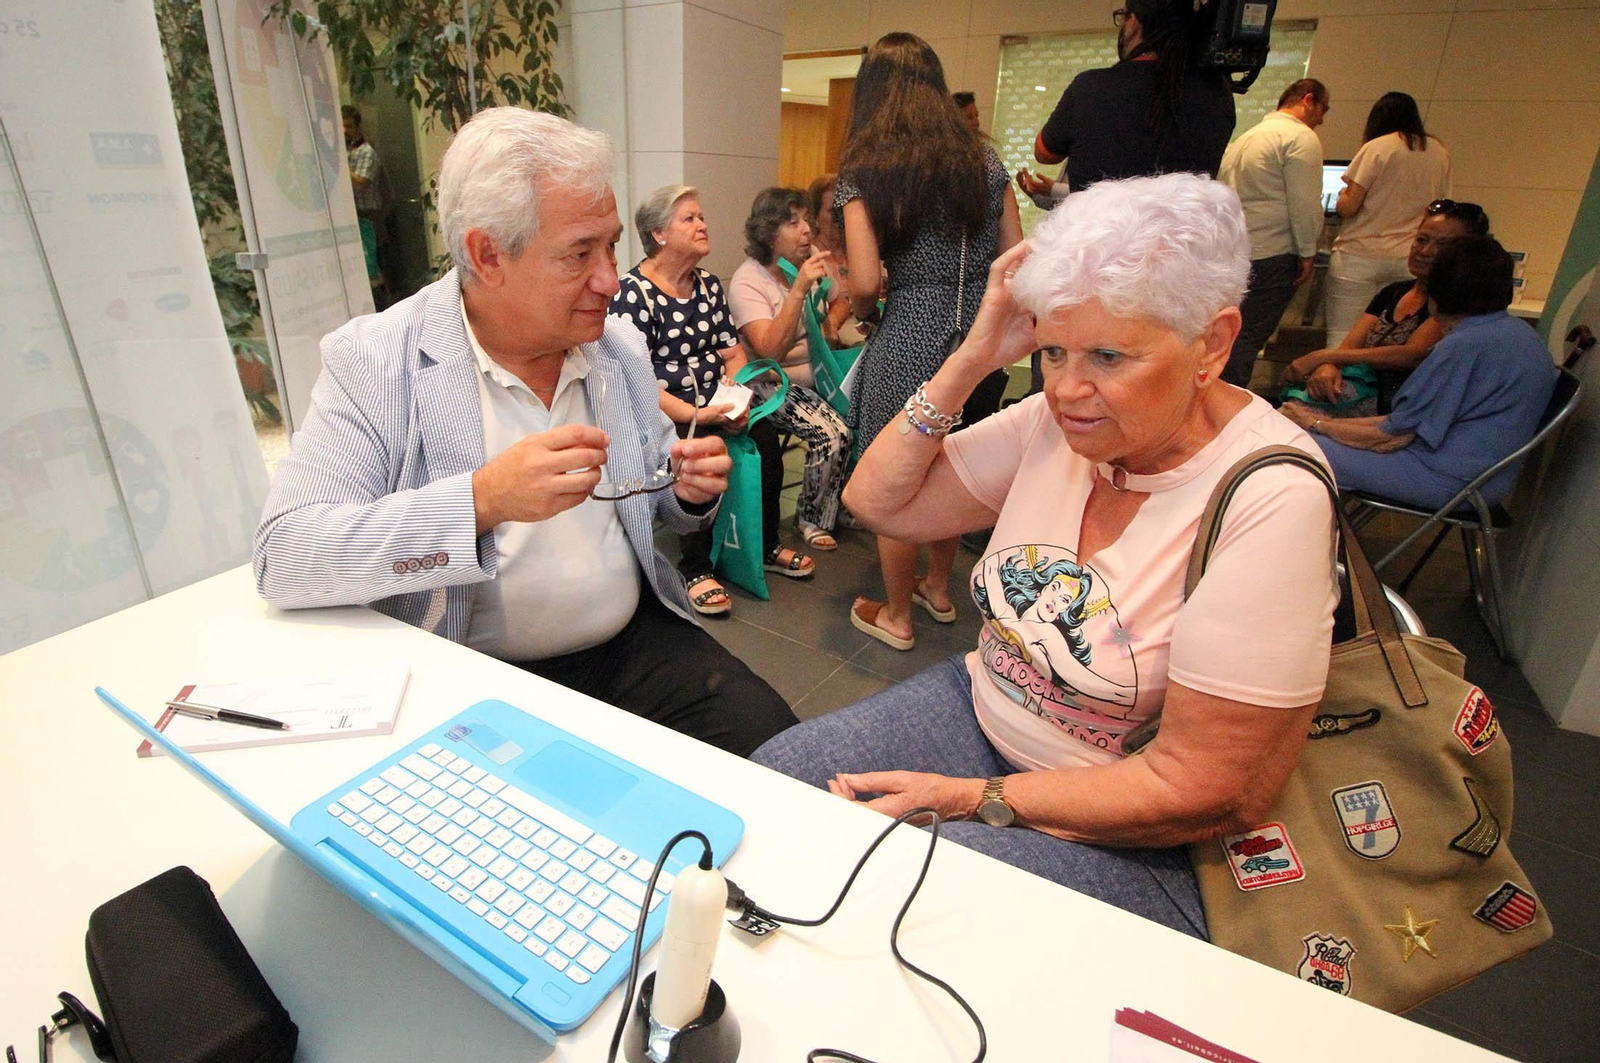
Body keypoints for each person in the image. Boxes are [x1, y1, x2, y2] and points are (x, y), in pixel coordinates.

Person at [754, 173, 1338, 937]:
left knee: (902, 903)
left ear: (1215, 343)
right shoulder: (1059, 423)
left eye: (1107, 356)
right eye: (1053, 350)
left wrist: (976, 799)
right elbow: (879, 502)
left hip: (1140, 827)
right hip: (983, 707)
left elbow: (1209, 788)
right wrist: (971, 357)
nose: (1067, 389)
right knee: (772, 784)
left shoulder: (1270, 494)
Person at [254, 108, 796, 757]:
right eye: (578, 254)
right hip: (472, 674)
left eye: (611, 244)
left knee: (782, 753)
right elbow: (286, 554)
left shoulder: (615, 347)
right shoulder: (377, 362)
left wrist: (688, 490)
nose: (609, 278)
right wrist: (480, 499)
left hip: (630, 646)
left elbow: (657, 494)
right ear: (487, 255)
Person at [835, 32, 1023, 651]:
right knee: (952, 462)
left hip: (912, 330)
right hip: (981, 342)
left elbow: (864, 280)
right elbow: (1017, 257)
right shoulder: (985, 162)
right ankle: (939, 591)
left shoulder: (866, 169)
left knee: (898, 472)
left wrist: (866, 311)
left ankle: (895, 615)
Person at [612, 186, 829, 614]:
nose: (703, 225)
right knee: (693, 452)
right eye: (689, 219)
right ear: (659, 234)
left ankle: (765, 545)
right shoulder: (631, 294)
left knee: (764, 441)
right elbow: (639, 381)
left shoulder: (709, 285)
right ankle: (695, 567)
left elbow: (732, 353)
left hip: (716, 399)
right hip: (665, 408)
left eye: (701, 216)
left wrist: (737, 399)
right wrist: (697, 414)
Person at [1285, 235, 1559, 511]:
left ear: (1437, 289)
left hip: (1448, 478)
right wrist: (1315, 422)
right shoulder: (1520, 335)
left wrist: (1313, 425)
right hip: (1486, 478)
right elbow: (1403, 423)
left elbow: (1393, 436)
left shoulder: (1463, 346)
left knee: (1290, 447)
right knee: (1303, 434)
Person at [725, 189, 853, 553]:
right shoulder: (749, 281)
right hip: (770, 382)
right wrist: (798, 290)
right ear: (768, 233)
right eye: (792, 222)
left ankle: (842, 504)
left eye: (806, 220)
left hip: (818, 373)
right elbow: (768, 350)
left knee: (865, 413)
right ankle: (811, 518)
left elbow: (840, 299)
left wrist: (830, 325)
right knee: (831, 432)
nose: (806, 231)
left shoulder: (809, 260)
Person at [1281, 200, 1490, 417]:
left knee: (1291, 417)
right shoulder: (1393, 293)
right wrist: (1329, 365)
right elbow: (1350, 345)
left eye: (1442, 245)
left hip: (1399, 405)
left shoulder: (1455, 303)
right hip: (1355, 390)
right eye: (1421, 239)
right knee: (1291, 407)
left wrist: (1322, 357)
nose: (1425, 251)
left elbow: (1412, 355)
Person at [1032, 0, 1235, 193]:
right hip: (1187, 228)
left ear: (1135, 21)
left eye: (1123, 16)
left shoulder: (1090, 88)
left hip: (1100, 227)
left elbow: (1044, 152)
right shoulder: (1218, 94)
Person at [1218, 78, 1330, 387]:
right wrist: (1308, 251)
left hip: (1232, 251)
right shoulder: (1300, 138)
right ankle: (1229, 415)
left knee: (1223, 336)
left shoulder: (1247, 138)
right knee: (1246, 339)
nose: (1322, 118)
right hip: (1272, 254)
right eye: (1323, 108)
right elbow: (1306, 203)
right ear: (1308, 100)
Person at [1324, 92, 1452, 346]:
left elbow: (1349, 207)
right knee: (1389, 341)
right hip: (1408, 258)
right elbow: (1441, 208)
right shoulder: (1438, 151)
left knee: (1342, 337)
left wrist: (1341, 196)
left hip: (1359, 256)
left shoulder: (1378, 147)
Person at [343, 105, 390, 302]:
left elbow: (361, 183)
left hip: (368, 215)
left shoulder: (365, 152)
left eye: (349, 126)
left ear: (358, 126)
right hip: (351, 216)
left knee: (372, 265)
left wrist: (337, 164)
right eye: (342, 127)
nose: (345, 131)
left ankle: (381, 304)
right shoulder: (348, 151)